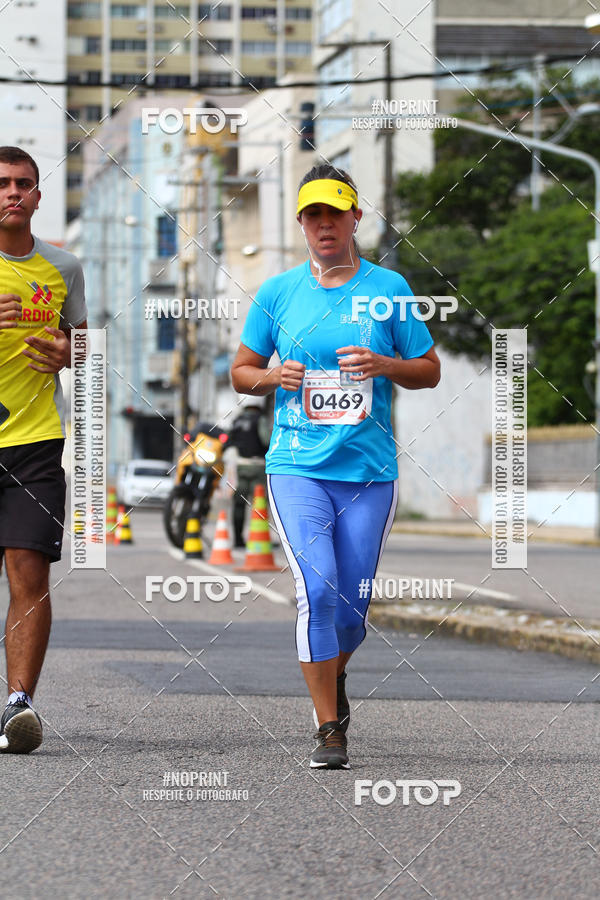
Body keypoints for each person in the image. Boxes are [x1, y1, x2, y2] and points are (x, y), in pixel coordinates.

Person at [231, 164, 440, 769]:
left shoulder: (389, 288)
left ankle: (333, 674)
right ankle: (329, 727)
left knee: (352, 607)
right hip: (296, 465)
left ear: (355, 218)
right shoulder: (278, 293)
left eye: (334, 213)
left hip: (369, 472)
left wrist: (384, 364)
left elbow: (428, 369)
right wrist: (273, 375)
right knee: (317, 588)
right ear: (302, 224)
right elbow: (242, 371)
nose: (324, 225)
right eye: (312, 215)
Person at [0, 147, 88, 753]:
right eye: (2, 184)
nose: (13, 193)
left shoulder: (64, 266)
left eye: (23, 184)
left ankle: (18, 705)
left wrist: (70, 355)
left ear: (38, 195)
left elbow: (85, 348)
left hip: (33, 441)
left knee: (29, 572)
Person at [225, 395, 271, 547]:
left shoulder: (237, 421)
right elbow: (266, 440)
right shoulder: (260, 419)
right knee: (259, 503)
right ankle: (260, 538)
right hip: (258, 467)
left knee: (239, 503)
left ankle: (238, 539)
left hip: (240, 466)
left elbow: (228, 440)